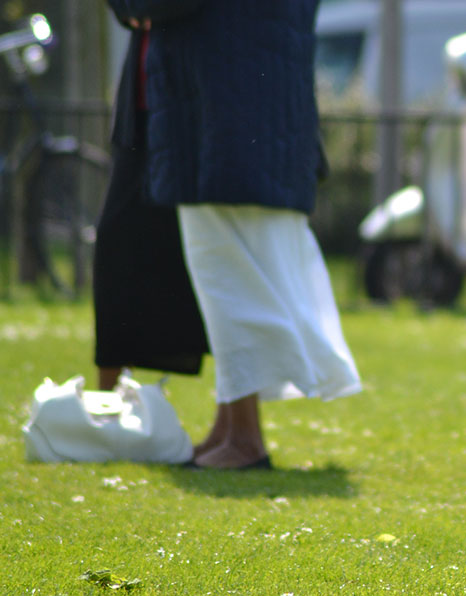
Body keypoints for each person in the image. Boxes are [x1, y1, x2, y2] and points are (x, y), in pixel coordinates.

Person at [107, 0, 361, 470]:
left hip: (222, 112)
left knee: (231, 281)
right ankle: (229, 427)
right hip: (249, 110)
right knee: (230, 277)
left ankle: (244, 438)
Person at [92, 17, 209, 391]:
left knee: (216, 261)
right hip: (142, 111)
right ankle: (107, 399)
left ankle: (237, 418)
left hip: (195, 109)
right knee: (114, 243)